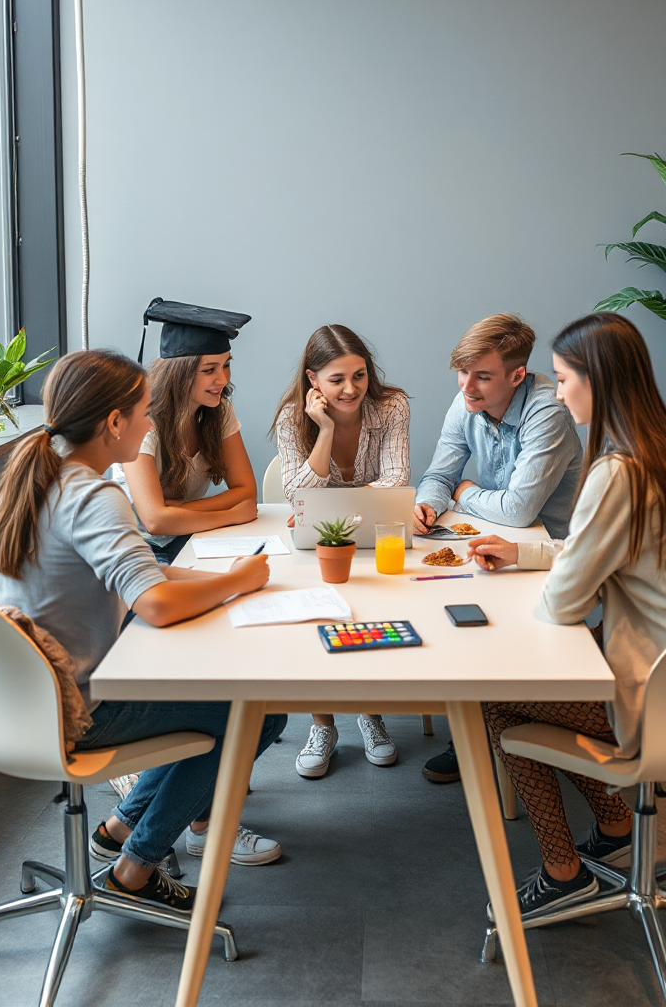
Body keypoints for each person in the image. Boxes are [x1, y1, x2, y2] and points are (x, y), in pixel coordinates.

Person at [0, 349, 286, 913]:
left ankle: (121, 826)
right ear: (114, 423)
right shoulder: (97, 495)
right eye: (144, 412)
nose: (150, 424)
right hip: (74, 707)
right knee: (258, 710)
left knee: (218, 703)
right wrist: (238, 583)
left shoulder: (37, 475)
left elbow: (128, 567)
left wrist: (218, 576)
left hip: (7, 706)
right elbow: (158, 606)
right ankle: (135, 868)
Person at [469, 312, 666, 919]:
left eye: (563, 380)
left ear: (597, 380)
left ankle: (564, 873)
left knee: (496, 694)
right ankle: (614, 825)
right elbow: (616, 548)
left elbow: (565, 604)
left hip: (658, 706)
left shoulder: (617, 470)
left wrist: (541, 579)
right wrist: (527, 553)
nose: (557, 393)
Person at [416, 313, 583, 783]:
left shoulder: (548, 410)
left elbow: (519, 511)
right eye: (462, 372)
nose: (467, 386)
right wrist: (429, 503)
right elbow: (437, 475)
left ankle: (498, 732)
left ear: (517, 375)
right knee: (446, 610)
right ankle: (476, 731)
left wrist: (464, 491)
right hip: (494, 547)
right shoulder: (466, 399)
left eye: (482, 376)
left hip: (553, 558)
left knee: (485, 630)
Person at [273, 323, 410, 778]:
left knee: (374, 613)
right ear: (313, 380)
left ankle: (370, 714)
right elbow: (296, 495)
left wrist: (329, 510)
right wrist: (325, 430)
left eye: (359, 374)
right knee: (316, 619)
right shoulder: (291, 419)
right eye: (336, 379)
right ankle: (323, 724)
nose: (351, 388)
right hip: (316, 546)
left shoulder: (392, 406)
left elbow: (396, 478)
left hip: (371, 538)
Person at [115, 298, 258, 568]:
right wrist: (230, 515)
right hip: (136, 548)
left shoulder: (220, 411)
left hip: (191, 533)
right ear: (178, 373)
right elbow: (154, 521)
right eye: (209, 370)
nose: (223, 379)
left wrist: (176, 511)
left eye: (226, 364)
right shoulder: (143, 423)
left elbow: (246, 490)